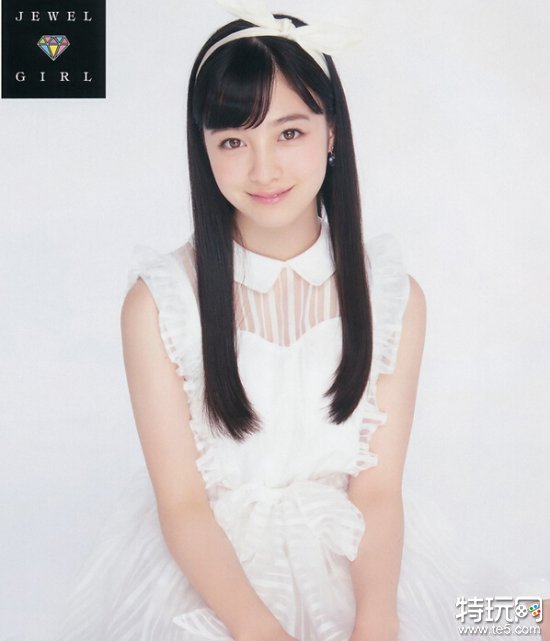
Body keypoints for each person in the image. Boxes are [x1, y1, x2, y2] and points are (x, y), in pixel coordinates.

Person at [49, 3, 549, 641]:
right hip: (215, 570)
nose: (264, 169)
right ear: (204, 150)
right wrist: (264, 633)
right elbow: (183, 507)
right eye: (234, 141)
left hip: (356, 552)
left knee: (524, 621)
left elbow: (376, 492)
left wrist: (375, 619)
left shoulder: (391, 296)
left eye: (289, 133)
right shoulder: (161, 304)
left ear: (331, 132)